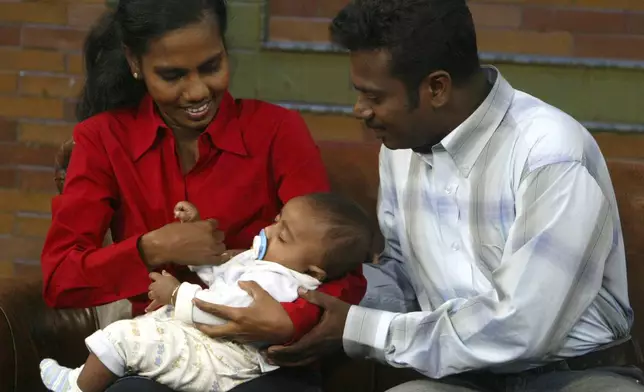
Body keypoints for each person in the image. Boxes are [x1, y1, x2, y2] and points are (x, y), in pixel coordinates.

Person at [195, 1, 644, 391]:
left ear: (436, 87)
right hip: (458, 380)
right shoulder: (401, 146)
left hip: (574, 376)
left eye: (373, 96)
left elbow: (523, 326)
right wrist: (293, 291)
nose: (360, 111)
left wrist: (354, 327)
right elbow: (404, 281)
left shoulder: (549, 153)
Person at [39, 0, 366, 391]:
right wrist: (152, 248)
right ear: (135, 62)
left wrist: (289, 321)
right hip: (158, 353)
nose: (196, 91)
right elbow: (61, 278)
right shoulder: (102, 141)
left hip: (261, 359)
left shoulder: (279, 132)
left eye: (211, 66)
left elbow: (340, 270)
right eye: (172, 75)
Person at [40, 193, 371, 392]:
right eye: (276, 220)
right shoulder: (271, 262)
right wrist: (199, 248)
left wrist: (176, 295)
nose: (269, 231)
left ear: (314, 272)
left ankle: (77, 387)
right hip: (211, 343)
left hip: (226, 360)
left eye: (284, 236)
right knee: (147, 333)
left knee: (123, 337)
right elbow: (223, 276)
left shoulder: (283, 283)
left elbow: (222, 309)